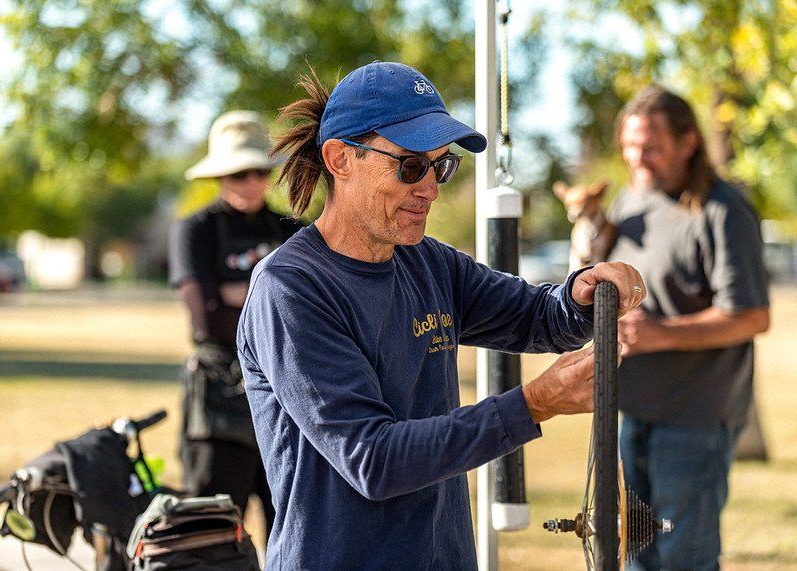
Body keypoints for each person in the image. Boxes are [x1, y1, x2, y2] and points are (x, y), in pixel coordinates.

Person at [236, 62, 645, 569]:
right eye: (410, 166)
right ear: (340, 159)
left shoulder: (428, 262)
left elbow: (541, 317)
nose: (430, 188)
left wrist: (583, 294)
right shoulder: (292, 289)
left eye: (441, 166)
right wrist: (533, 404)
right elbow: (374, 459)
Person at [609, 85, 771, 570]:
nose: (638, 158)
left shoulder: (722, 211)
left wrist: (662, 332)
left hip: (696, 421)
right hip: (632, 413)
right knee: (637, 557)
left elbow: (751, 315)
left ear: (688, 142)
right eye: (630, 145)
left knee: (685, 559)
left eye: (652, 146)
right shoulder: (629, 201)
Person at [168, 110, 301, 543]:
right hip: (219, 403)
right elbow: (208, 317)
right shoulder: (195, 231)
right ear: (220, 175)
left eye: (259, 172)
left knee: (296, 529)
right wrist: (273, 298)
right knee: (213, 535)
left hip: (289, 400)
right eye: (239, 173)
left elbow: (313, 315)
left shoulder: (293, 232)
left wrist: (235, 293)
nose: (251, 183)